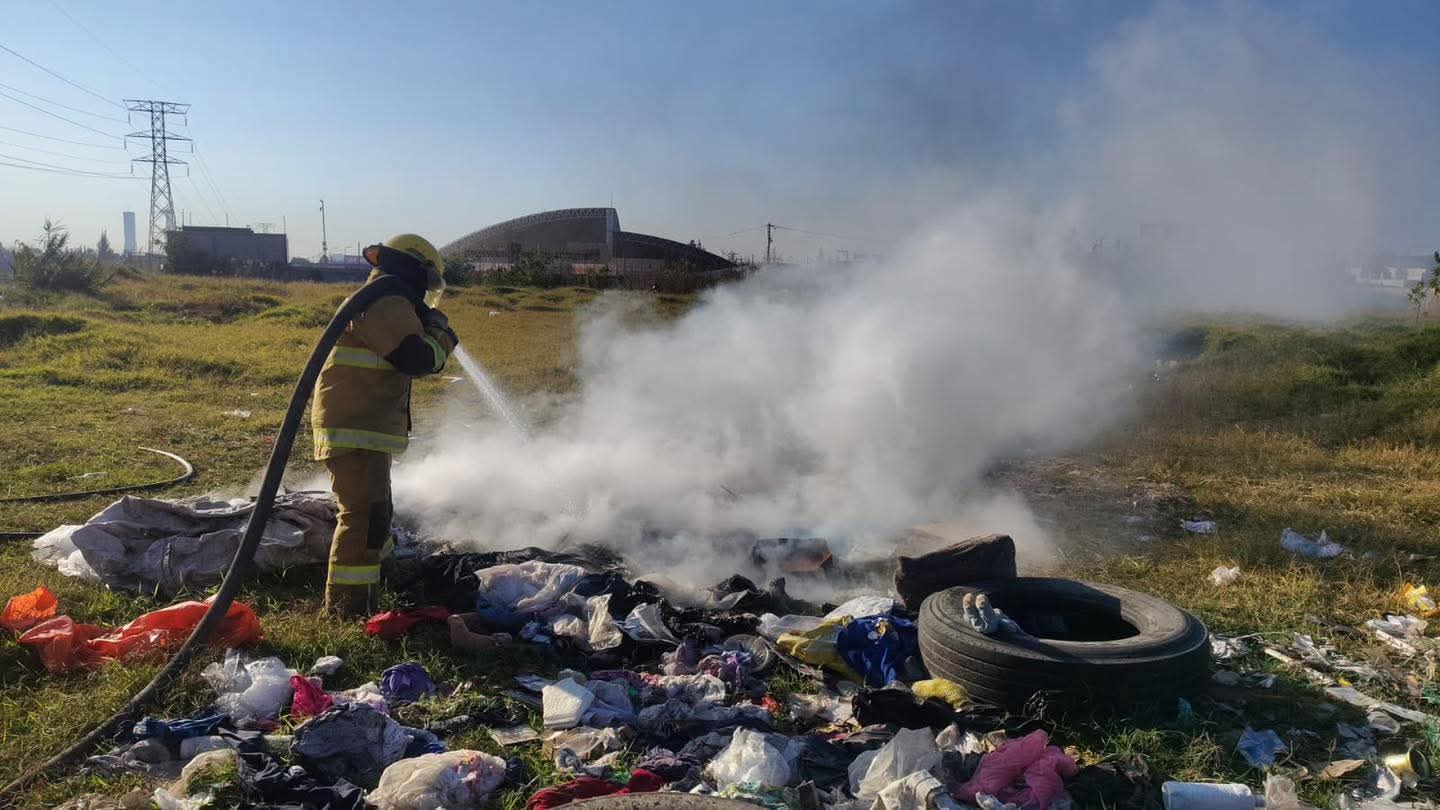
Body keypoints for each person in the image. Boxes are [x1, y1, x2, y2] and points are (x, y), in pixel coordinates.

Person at [311, 234, 459, 616]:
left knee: (379, 510)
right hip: (356, 425)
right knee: (363, 517)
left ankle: (388, 576)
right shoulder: (386, 301)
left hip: (363, 424)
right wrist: (441, 334)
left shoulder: (385, 299)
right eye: (426, 284)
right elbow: (416, 358)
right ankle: (348, 608)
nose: (427, 295)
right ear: (413, 270)